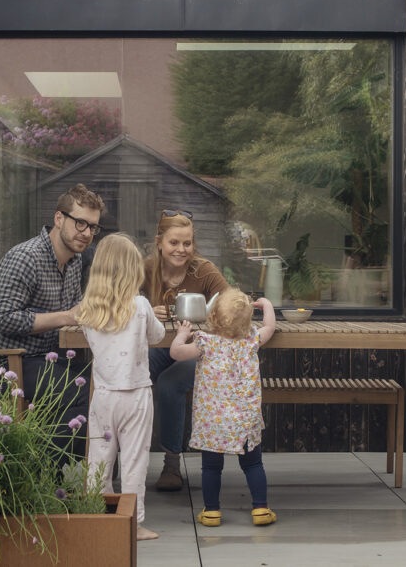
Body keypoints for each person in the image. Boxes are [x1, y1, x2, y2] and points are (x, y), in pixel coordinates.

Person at [0, 183, 105, 462]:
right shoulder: (25, 257)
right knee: (84, 392)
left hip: (53, 359)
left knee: (108, 384)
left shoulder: (74, 262)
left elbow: (75, 317)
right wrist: (67, 316)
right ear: (59, 218)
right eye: (80, 223)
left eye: (93, 227)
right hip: (10, 365)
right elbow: (2, 318)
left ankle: (100, 481)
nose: (86, 233)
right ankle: (46, 474)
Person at [77, 233, 165, 542]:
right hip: (137, 397)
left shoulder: (87, 311)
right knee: (134, 463)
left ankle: (97, 514)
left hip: (103, 398)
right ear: (133, 271)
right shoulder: (140, 306)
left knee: (99, 460)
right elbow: (157, 336)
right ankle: (133, 523)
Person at [169, 288, 277, 527]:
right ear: (248, 320)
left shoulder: (205, 342)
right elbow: (269, 327)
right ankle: (260, 508)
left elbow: (176, 353)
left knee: (211, 467)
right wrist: (267, 306)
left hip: (213, 421)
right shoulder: (251, 339)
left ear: (212, 316)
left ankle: (212, 512)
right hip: (244, 421)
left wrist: (182, 333)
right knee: (253, 465)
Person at [143, 209, 230, 491]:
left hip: (197, 350)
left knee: (169, 383)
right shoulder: (145, 269)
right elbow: (119, 302)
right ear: (159, 242)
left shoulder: (203, 270)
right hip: (158, 348)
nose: (182, 250)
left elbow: (232, 304)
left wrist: (208, 319)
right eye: (174, 243)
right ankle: (116, 453)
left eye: (187, 243)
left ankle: (171, 462)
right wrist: (143, 309)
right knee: (133, 370)